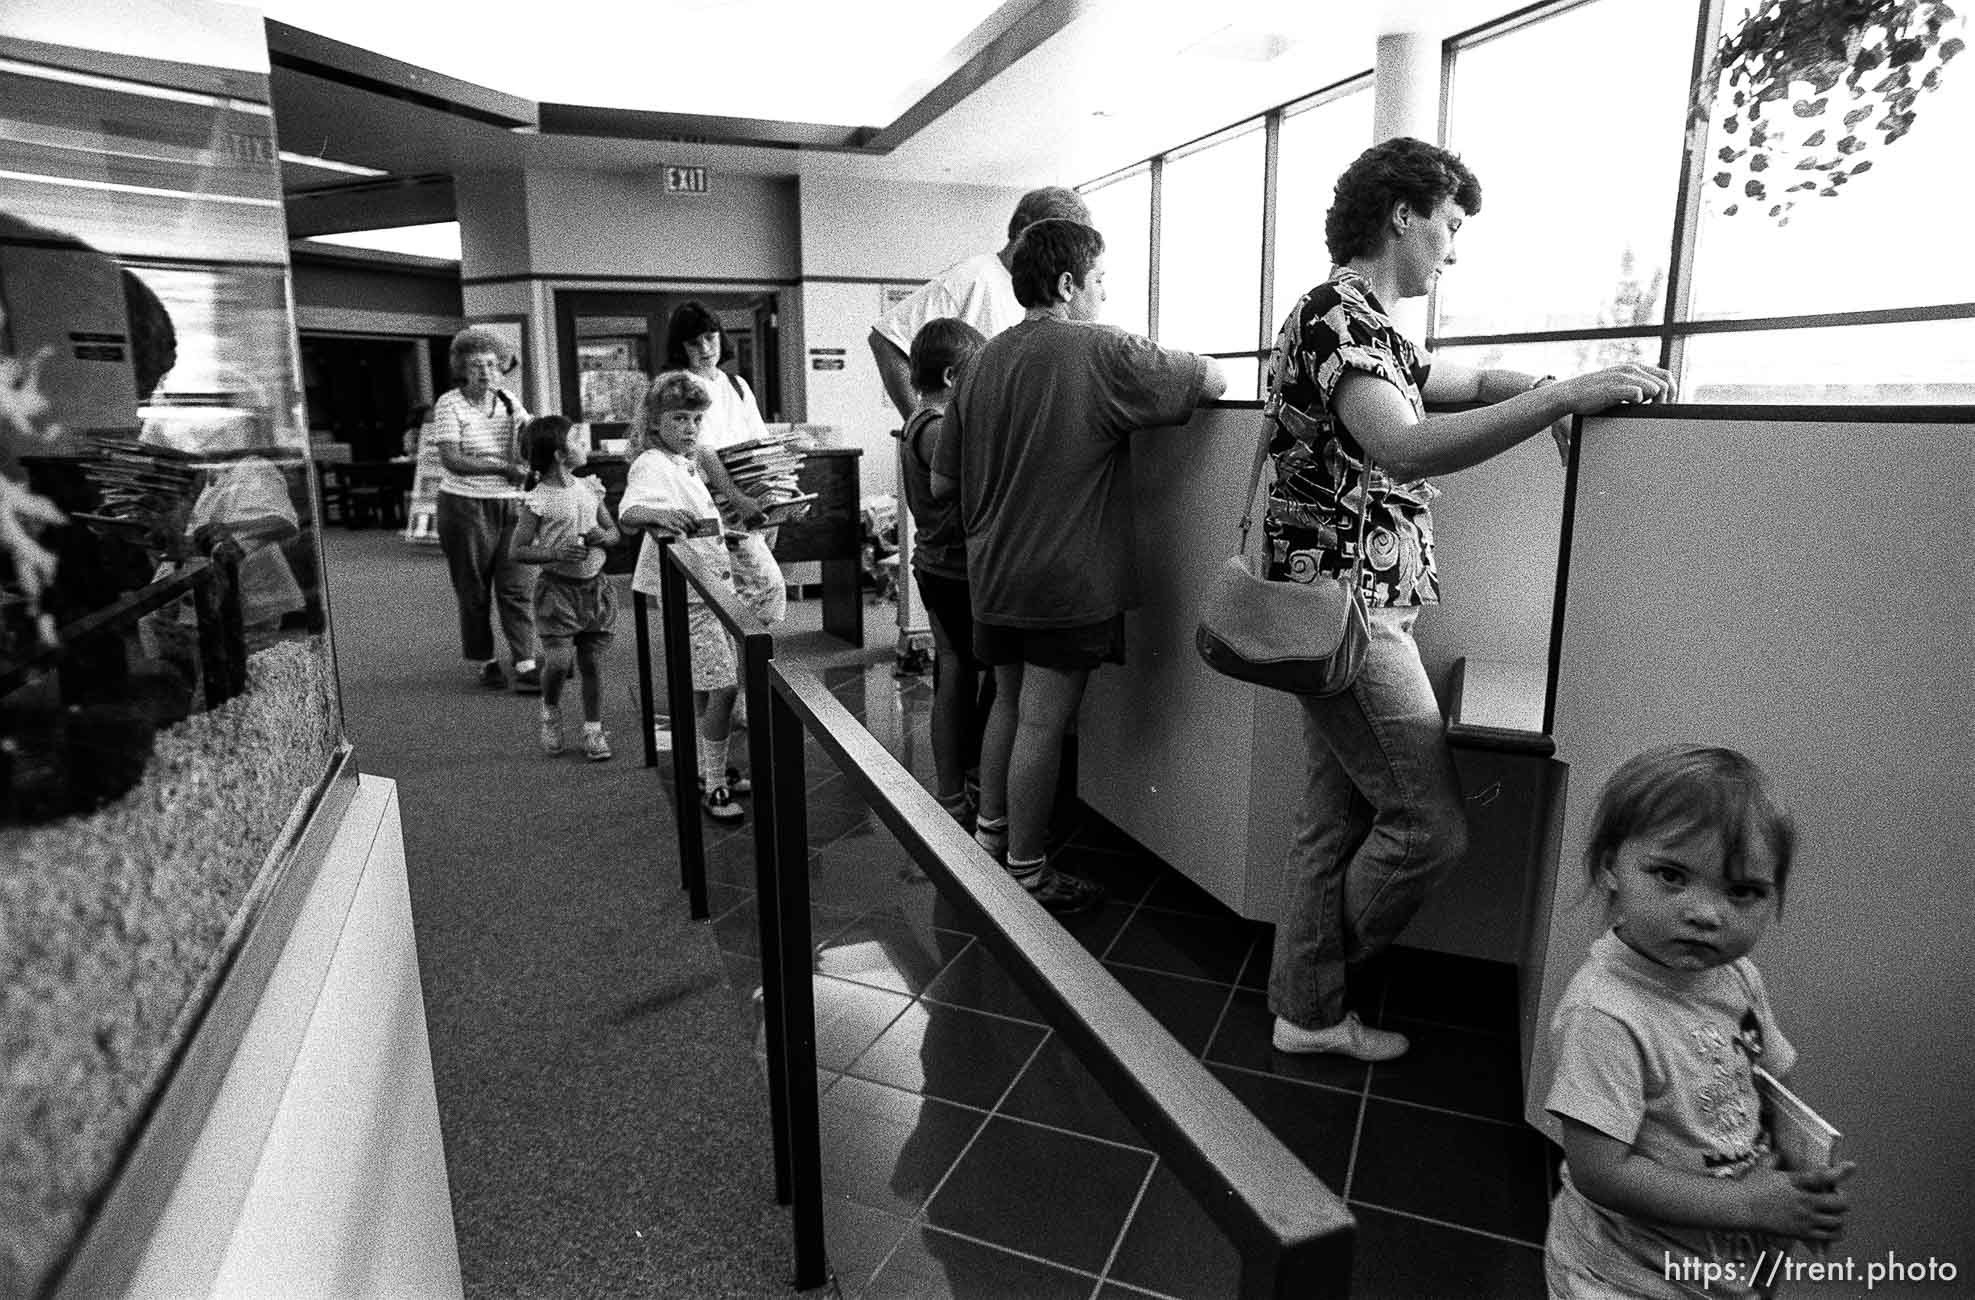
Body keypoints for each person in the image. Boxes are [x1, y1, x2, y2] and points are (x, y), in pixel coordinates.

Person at [1263, 137, 1674, 1062]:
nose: (1452, 248)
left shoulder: (1368, 325)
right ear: (1402, 214)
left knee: (1333, 820)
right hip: (1348, 615)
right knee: (1427, 827)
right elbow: (1400, 445)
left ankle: (1305, 1012)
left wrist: (1546, 387)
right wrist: (1562, 397)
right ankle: (1312, 990)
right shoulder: (1338, 313)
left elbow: (1466, 382)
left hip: (1342, 610)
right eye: (1448, 225)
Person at [935, 218, 1225, 914]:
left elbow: (945, 481)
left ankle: (990, 837)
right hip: (1064, 579)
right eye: (1099, 281)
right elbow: (1209, 380)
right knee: (1042, 723)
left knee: (1007, 703)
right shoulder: (1100, 350)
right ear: (1067, 284)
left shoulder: (981, 362)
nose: (1103, 294)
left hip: (995, 573)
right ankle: (1028, 872)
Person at [1542, 745, 1854, 1298]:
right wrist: (1753, 1204)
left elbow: (1769, 1086)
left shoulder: (1737, 977)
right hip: (1626, 1275)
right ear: (1611, 865)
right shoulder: (1607, 1014)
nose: (1706, 914)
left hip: (1718, 1263)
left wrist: (1797, 1174)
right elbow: (1601, 1171)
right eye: (1671, 875)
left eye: (1742, 892)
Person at [618, 375, 751, 822]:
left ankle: (706, 768)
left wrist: (720, 529)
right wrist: (660, 513)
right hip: (692, 594)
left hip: (709, 584)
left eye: (697, 418)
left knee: (706, 686)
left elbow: (695, 514)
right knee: (724, 687)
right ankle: (713, 784)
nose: (691, 427)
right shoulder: (652, 463)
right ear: (656, 422)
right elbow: (631, 513)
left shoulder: (683, 461)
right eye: (680, 418)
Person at [868, 186, 1093, 420]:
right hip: (969, 444)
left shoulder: (1043, 294)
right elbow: (886, 339)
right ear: (1029, 232)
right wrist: (920, 425)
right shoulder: (974, 276)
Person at [895, 317, 990, 826]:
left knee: (954, 672)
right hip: (953, 569)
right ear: (954, 377)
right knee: (955, 675)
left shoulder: (916, 420)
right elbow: (961, 483)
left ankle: (959, 784)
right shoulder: (935, 428)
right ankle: (953, 789)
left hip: (937, 564)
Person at [649, 301, 786, 629]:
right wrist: (737, 498)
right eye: (694, 343)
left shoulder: (737, 385)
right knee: (750, 588)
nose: (706, 348)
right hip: (708, 500)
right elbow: (702, 450)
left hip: (748, 497)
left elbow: (760, 447)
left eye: (711, 337)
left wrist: (774, 502)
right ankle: (737, 662)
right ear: (681, 347)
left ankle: (741, 663)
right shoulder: (680, 385)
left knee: (755, 590)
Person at [431, 327, 540, 692]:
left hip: (510, 504)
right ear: (461, 367)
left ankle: (525, 660)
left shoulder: (510, 400)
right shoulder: (450, 403)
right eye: (476, 364)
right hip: (464, 505)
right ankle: (485, 660)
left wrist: (538, 438)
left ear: (502, 367)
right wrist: (501, 468)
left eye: (492, 364)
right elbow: (452, 459)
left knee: (516, 586)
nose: (485, 372)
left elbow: (530, 439)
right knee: (473, 589)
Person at [510, 415, 620, 761]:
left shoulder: (590, 487)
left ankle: (593, 728)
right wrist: (556, 552)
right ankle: (550, 710)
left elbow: (613, 532)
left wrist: (606, 537)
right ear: (560, 454)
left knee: (592, 664)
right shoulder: (538, 499)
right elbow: (518, 550)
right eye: (577, 439)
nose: (583, 444)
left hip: (595, 590)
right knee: (558, 662)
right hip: (557, 592)